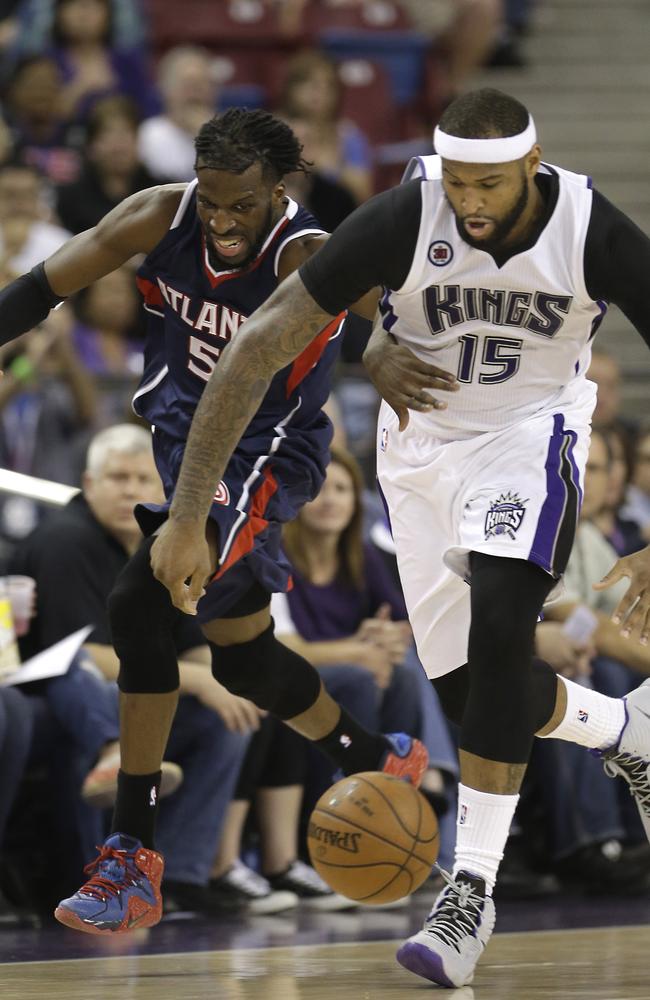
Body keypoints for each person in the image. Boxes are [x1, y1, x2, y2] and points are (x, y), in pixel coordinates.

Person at [149, 88, 650, 988]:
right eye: (459, 181)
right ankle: (623, 727)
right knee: (470, 695)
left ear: (532, 169)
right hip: (419, 451)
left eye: (490, 184)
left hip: (532, 433)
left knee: (503, 628)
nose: (471, 202)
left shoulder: (591, 227)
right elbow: (258, 344)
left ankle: (470, 891)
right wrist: (189, 514)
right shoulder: (406, 212)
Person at [0, 107, 427, 934]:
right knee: (244, 658)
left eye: (242, 204)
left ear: (278, 189)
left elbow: (391, 316)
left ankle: (132, 854)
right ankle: (377, 756)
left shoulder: (307, 253)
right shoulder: (158, 216)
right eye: (212, 202)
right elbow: (44, 288)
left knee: (142, 600)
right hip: (180, 442)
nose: (224, 222)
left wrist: (373, 347)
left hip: (262, 456)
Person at [10, 423, 257, 917]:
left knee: (223, 719)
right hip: (52, 702)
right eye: (117, 477)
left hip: (127, 696)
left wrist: (212, 677)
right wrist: (197, 680)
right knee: (96, 691)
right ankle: (92, 876)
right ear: (88, 483)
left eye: (143, 479)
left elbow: (193, 641)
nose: (130, 491)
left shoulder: (165, 541)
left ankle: (180, 880)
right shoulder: (65, 539)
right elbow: (81, 655)